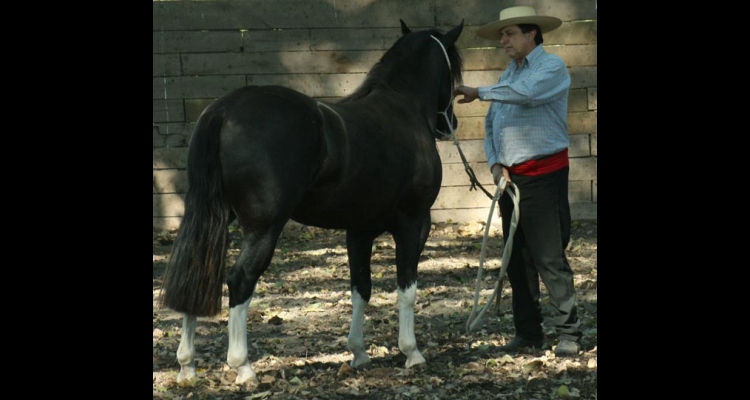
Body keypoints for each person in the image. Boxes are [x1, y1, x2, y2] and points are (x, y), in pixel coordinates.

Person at [453, 6, 583, 357]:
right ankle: (528, 333)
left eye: (509, 33)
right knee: (516, 259)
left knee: (548, 257)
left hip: (544, 177)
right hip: (512, 180)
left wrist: (480, 91)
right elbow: (492, 124)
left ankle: (569, 332)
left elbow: (526, 94)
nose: (503, 40)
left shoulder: (551, 68)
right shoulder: (509, 73)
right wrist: (496, 164)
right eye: (502, 35)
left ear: (532, 35)